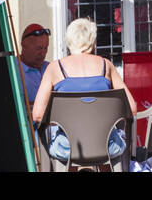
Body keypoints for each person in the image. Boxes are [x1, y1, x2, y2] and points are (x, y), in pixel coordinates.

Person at [32, 17, 137, 168]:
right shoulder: (106, 66)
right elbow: (131, 108)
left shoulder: (55, 68)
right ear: (93, 42)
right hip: (108, 147)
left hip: (66, 148)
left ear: (68, 42)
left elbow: (37, 115)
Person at [19, 23, 50, 107]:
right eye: (38, 48)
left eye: (45, 48)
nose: (43, 53)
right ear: (23, 45)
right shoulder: (13, 70)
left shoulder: (50, 69)